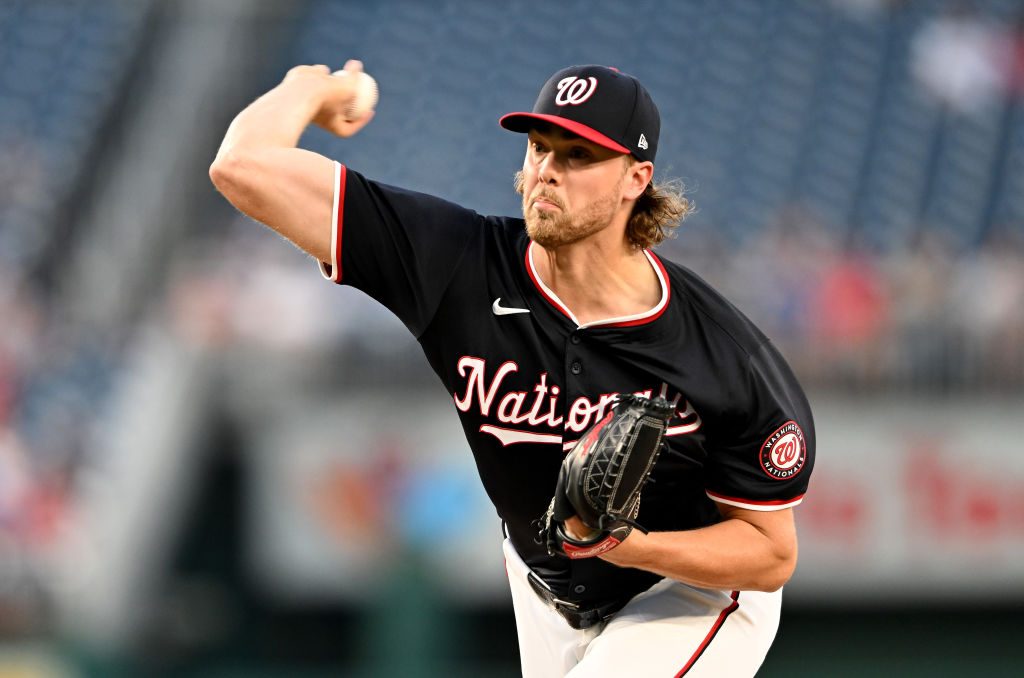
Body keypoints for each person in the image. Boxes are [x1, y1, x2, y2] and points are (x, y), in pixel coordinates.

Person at [210, 60, 815, 678]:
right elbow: (241, 167)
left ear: (637, 178)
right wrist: (308, 88)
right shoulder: (457, 264)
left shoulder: (722, 353)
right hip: (543, 594)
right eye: (539, 146)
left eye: (578, 155)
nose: (547, 169)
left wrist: (631, 547)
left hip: (686, 592)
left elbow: (770, 555)